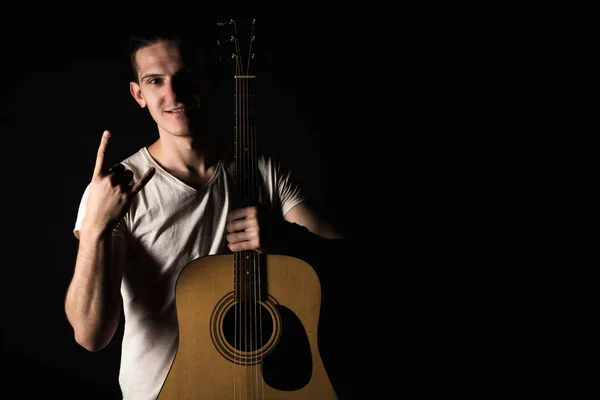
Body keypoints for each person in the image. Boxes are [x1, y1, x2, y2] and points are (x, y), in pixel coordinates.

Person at [63, 32, 345, 400]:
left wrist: (285, 238)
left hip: (258, 390)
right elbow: (90, 335)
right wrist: (97, 224)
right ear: (138, 95)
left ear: (206, 81)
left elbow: (346, 266)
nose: (174, 95)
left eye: (185, 77)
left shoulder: (261, 172)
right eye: (155, 81)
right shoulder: (115, 190)